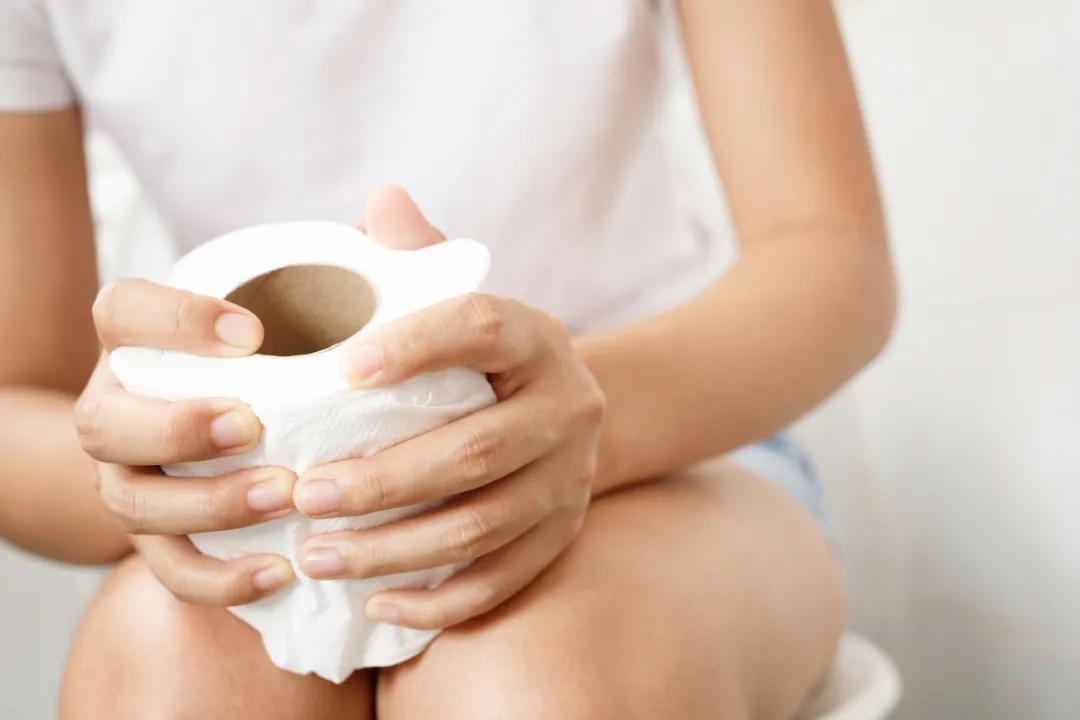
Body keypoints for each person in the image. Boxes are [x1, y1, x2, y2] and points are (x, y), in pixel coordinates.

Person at [0, 2, 895, 718]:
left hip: (666, 449)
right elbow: (16, 400)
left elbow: (831, 258)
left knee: (536, 678)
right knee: (168, 674)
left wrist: (578, 419)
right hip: (277, 489)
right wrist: (162, 465)